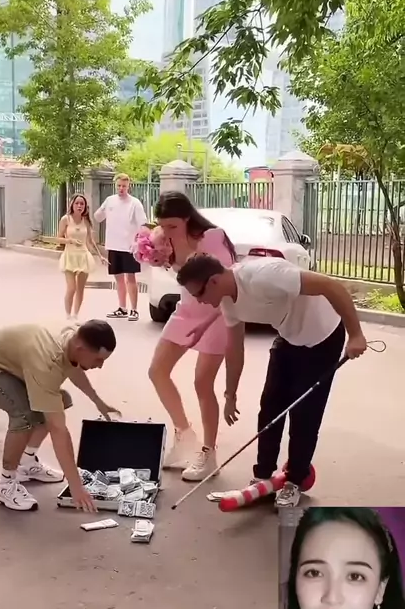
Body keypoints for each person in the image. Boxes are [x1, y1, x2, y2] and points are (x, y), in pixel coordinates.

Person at [175, 254, 368, 506]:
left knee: (304, 413)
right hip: (289, 337)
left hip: (323, 337)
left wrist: (356, 334)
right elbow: (235, 349)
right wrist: (230, 394)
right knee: (269, 408)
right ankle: (262, 477)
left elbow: (332, 286)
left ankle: (294, 481)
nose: (199, 301)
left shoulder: (265, 275)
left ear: (213, 281)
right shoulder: (228, 303)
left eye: (199, 294)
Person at [0, 320, 119, 512]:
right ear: (80, 348)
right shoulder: (47, 363)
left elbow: (74, 368)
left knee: (61, 400)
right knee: (24, 416)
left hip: (13, 364)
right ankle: (4, 484)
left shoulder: (74, 337)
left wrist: (97, 401)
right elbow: (58, 430)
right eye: (98, 360)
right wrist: (76, 487)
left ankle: (26, 463)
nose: (100, 366)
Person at [148, 192, 237, 482]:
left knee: (202, 383)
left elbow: (226, 285)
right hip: (186, 309)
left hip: (216, 312)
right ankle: (184, 433)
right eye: (163, 225)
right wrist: (159, 256)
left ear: (187, 217)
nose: (167, 231)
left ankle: (208, 453)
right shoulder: (164, 238)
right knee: (157, 371)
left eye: (173, 226)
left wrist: (207, 324)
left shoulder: (212, 238)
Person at [94, 173, 147, 321]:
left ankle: (134, 310)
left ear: (128, 186)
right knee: (118, 278)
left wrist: (139, 242)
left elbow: (142, 223)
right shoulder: (110, 200)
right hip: (113, 245)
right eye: (119, 186)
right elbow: (98, 216)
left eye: (124, 186)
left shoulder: (134, 203)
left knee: (131, 278)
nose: (121, 188)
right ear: (115, 186)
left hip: (129, 246)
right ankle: (122, 308)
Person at [57, 193, 106, 318]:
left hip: (83, 256)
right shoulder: (66, 219)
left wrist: (100, 255)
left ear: (85, 207)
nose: (79, 206)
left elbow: (91, 240)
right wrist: (70, 240)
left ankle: (75, 315)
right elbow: (58, 238)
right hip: (70, 256)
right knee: (71, 288)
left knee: (80, 289)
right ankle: (67, 315)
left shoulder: (86, 221)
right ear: (72, 205)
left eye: (82, 204)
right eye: (77, 203)